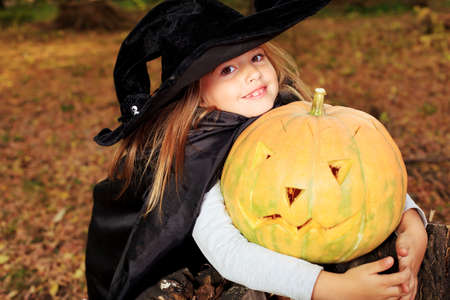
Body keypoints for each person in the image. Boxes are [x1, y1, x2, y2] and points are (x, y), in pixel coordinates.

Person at [85, 1, 428, 300]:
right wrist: (329, 288)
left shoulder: (288, 110)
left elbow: (366, 170)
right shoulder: (200, 154)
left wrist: (409, 220)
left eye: (257, 56)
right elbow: (226, 251)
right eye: (228, 68)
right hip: (203, 273)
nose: (253, 74)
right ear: (198, 94)